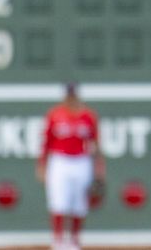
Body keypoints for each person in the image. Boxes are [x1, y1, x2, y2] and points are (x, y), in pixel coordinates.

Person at [37, 82, 105, 250]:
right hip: (60, 160)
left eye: (73, 95)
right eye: (68, 96)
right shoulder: (55, 115)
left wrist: (99, 169)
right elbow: (46, 143)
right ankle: (58, 240)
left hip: (81, 160)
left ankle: (74, 241)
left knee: (79, 204)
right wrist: (42, 165)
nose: (70, 99)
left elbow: (96, 145)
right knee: (58, 201)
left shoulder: (88, 116)